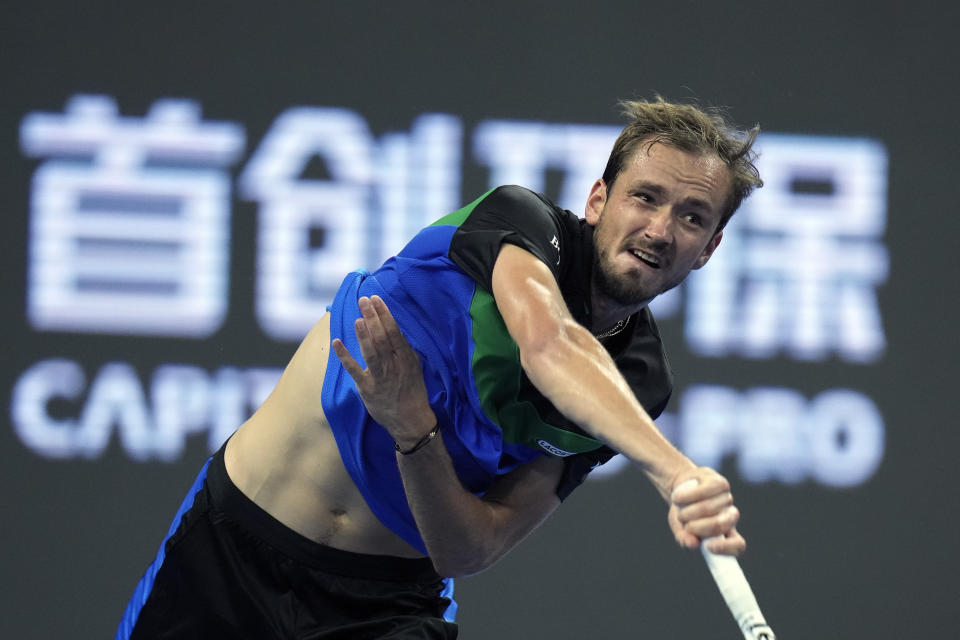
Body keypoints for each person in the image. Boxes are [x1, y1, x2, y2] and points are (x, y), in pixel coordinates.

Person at [116, 97, 763, 639]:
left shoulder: (639, 383)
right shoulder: (520, 223)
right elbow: (550, 344)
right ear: (598, 199)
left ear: (709, 248)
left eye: (691, 217)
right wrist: (676, 474)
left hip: (387, 609)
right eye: (644, 198)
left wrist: (415, 436)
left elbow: (471, 548)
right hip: (230, 553)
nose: (659, 228)